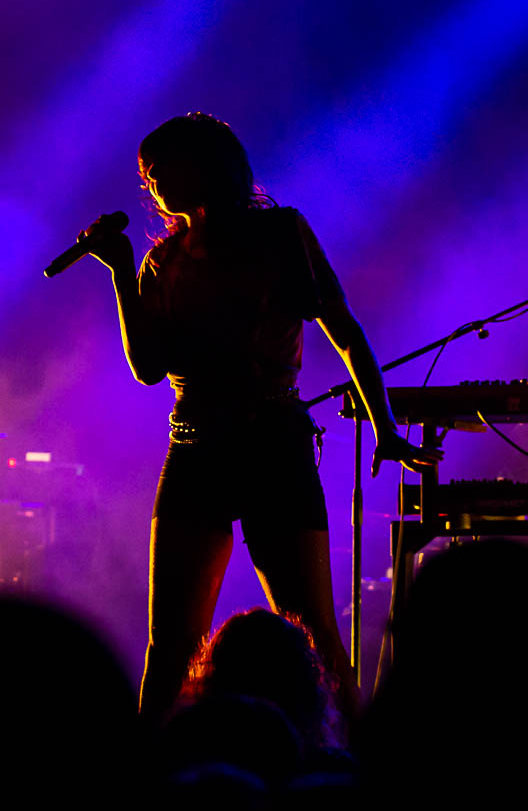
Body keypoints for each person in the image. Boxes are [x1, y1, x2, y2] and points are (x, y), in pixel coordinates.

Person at [81, 112, 439, 720]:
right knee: (172, 642)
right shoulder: (161, 263)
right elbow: (147, 368)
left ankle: (356, 768)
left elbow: (344, 331)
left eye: (164, 166)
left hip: (273, 441)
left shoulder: (278, 234)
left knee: (313, 634)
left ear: (208, 166)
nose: (153, 181)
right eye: (148, 173)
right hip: (194, 447)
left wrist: (385, 428)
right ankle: (147, 781)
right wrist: (119, 271)